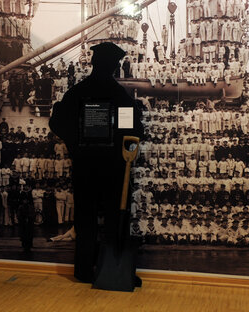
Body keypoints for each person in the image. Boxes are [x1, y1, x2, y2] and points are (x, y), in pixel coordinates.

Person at [49, 42, 144, 287]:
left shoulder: (78, 92)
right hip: (113, 168)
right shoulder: (119, 95)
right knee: (114, 218)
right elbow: (135, 130)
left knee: (86, 219)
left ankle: (84, 271)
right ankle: (112, 271)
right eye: (113, 64)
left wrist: (76, 147)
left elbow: (57, 122)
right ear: (113, 66)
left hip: (87, 167)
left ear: (93, 63)